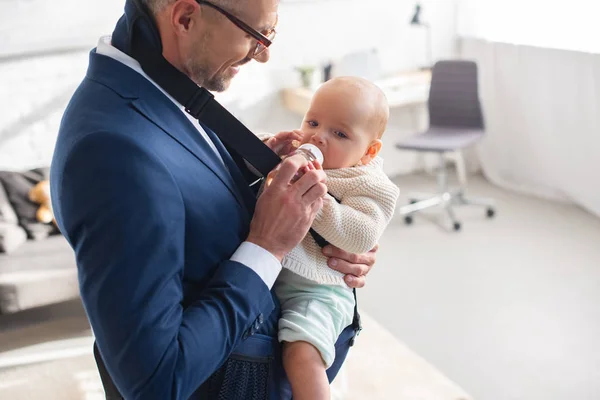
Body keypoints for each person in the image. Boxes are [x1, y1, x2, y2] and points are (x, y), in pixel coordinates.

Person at [49, 0, 378, 399]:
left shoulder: (159, 84)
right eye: (255, 35)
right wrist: (268, 246)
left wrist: (329, 238)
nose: (263, 54)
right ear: (185, 18)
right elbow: (157, 381)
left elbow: (184, 202)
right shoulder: (111, 152)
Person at [267, 77, 399, 400]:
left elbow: (361, 233)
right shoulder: (295, 155)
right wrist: (269, 147)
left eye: (339, 133)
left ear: (369, 151)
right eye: (313, 121)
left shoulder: (369, 183)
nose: (318, 137)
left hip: (319, 290)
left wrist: (311, 196)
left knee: (301, 352)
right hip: (275, 274)